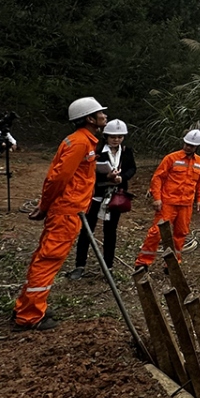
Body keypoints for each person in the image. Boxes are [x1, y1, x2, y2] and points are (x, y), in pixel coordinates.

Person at [13, 97, 107, 332]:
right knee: (49, 259)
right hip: (67, 210)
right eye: (100, 113)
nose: (105, 116)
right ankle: (30, 315)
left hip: (71, 209)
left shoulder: (84, 141)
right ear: (90, 119)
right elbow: (58, 178)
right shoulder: (79, 143)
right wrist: (45, 206)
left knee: (44, 257)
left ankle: (28, 305)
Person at [67, 118, 136, 279]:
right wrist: (106, 175)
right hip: (96, 195)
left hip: (115, 197)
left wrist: (122, 178)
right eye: (113, 137)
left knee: (110, 232)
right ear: (106, 136)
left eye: (119, 137)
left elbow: (132, 168)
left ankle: (108, 267)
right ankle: (80, 265)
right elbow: (87, 171)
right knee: (87, 230)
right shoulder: (96, 150)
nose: (116, 140)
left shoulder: (126, 151)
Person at [134, 130, 200, 272]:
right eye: (186, 144)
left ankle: (173, 264)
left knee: (181, 234)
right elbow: (157, 178)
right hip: (168, 202)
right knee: (157, 232)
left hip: (186, 204)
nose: (188, 147)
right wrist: (157, 198)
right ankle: (143, 262)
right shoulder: (171, 158)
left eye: (191, 145)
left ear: (197, 146)